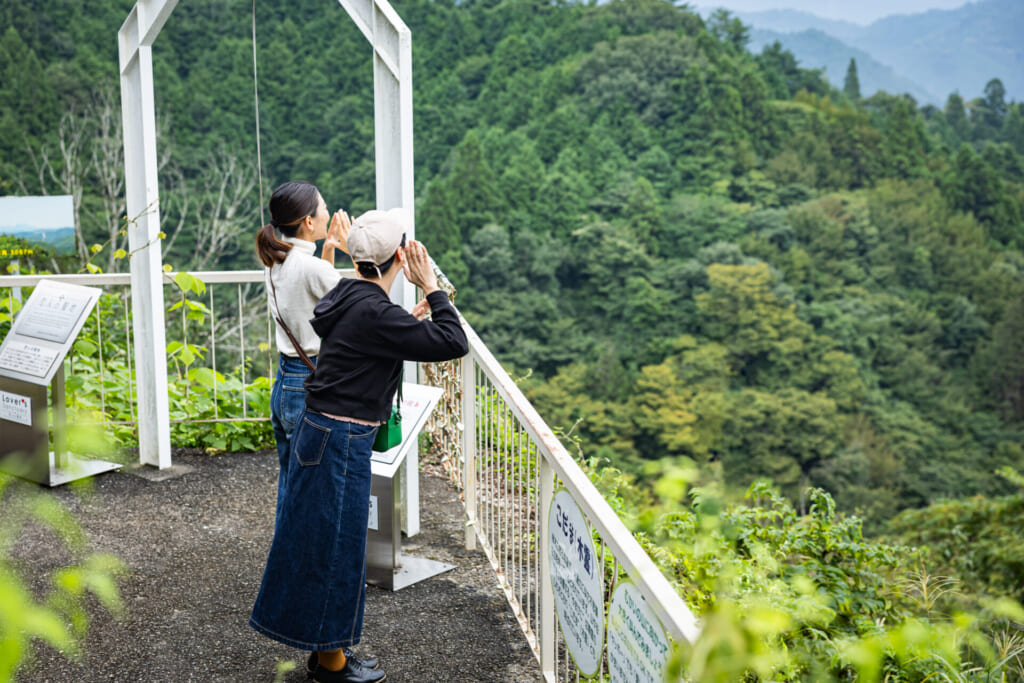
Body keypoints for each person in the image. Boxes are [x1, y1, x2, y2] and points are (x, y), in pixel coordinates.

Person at [249, 208, 469, 683]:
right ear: (397, 259)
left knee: (316, 542)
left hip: (319, 431)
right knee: (336, 550)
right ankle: (332, 666)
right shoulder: (374, 310)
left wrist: (403, 321)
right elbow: (454, 340)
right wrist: (429, 283)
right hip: (341, 441)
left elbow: (362, 334)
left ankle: (328, 653)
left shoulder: (350, 293)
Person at [255, 181, 349, 522]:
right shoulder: (311, 269)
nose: (327, 212)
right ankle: (303, 569)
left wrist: (330, 250)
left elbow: (317, 303)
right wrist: (354, 251)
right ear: (309, 222)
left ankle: (286, 566)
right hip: (311, 384)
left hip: (286, 383)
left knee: (292, 485)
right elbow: (359, 308)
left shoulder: (275, 260)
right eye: (322, 208)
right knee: (313, 491)